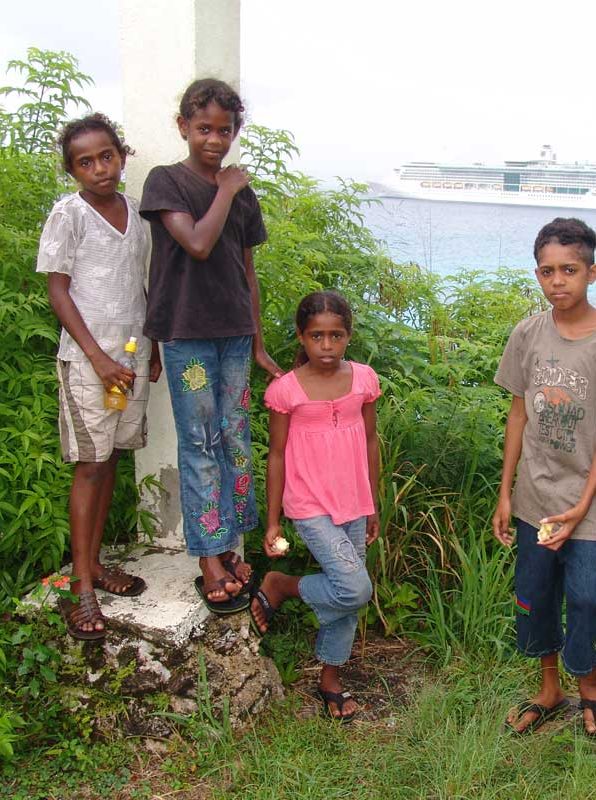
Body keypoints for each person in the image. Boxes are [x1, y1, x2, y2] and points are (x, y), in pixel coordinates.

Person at [139, 79, 283, 612]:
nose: (215, 140)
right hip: (186, 334)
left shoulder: (242, 195)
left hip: (234, 335)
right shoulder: (166, 181)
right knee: (199, 441)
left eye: (225, 130)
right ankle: (207, 559)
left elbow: (248, 272)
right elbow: (198, 243)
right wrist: (226, 187)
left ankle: (228, 544)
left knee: (234, 439)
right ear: (183, 127)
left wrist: (259, 343)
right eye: (204, 128)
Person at [493, 218, 596, 736]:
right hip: (535, 497)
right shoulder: (528, 333)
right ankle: (550, 687)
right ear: (537, 274)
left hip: (588, 502)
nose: (558, 281)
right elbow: (518, 414)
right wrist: (506, 493)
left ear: (592, 273)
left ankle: (589, 685)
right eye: (547, 271)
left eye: (569, 270)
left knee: (586, 596)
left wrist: (583, 503)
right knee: (537, 593)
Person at [37, 113, 159, 640]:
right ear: (72, 171)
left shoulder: (137, 215)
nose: (99, 168)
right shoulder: (69, 215)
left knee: (109, 459)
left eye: (106, 156)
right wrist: (98, 358)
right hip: (91, 363)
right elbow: (58, 290)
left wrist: (154, 346)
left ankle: (95, 565)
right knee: (89, 464)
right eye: (85, 162)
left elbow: (141, 285)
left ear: (121, 156)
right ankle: (79, 586)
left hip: (131, 358)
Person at [249, 291, 380, 723]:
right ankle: (282, 586)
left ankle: (330, 678)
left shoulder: (363, 380)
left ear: (349, 336)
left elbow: (370, 441)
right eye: (316, 336)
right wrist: (272, 521)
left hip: (354, 500)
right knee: (355, 587)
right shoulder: (286, 389)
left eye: (335, 335)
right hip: (309, 503)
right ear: (301, 337)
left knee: (348, 587)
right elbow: (276, 455)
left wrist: (374, 503)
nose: (326, 345)